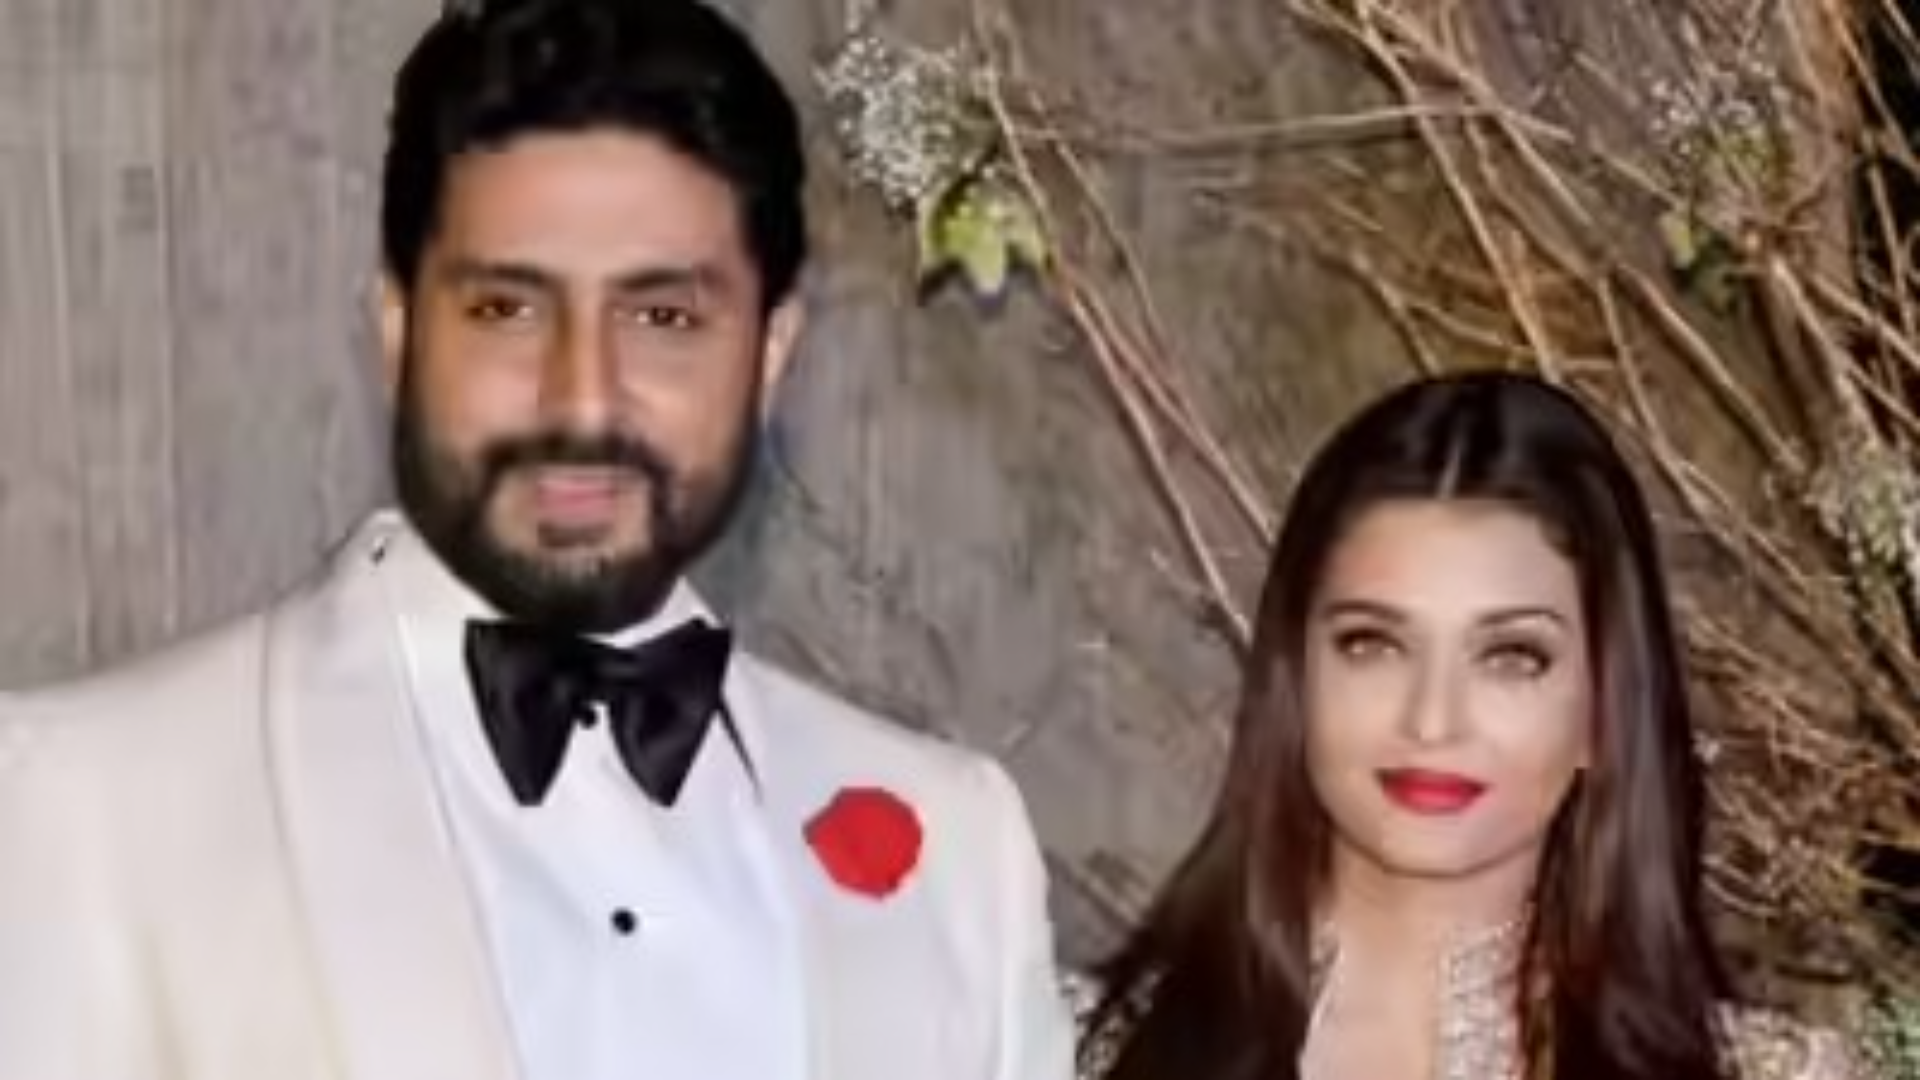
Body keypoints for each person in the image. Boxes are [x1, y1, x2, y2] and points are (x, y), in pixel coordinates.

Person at [0, 2, 1074, 1078]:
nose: (583, 399)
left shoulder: (960, 852)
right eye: (508, 310)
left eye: (664, 318)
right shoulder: (80, 800)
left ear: (771, 354)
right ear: (397, 330)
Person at [1074, 371, 1863, 1079]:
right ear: (1296, 676)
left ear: (1604, 708)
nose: (1432, 721)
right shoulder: (1067, 1048)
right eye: (1373, 644)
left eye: (1512, 657)